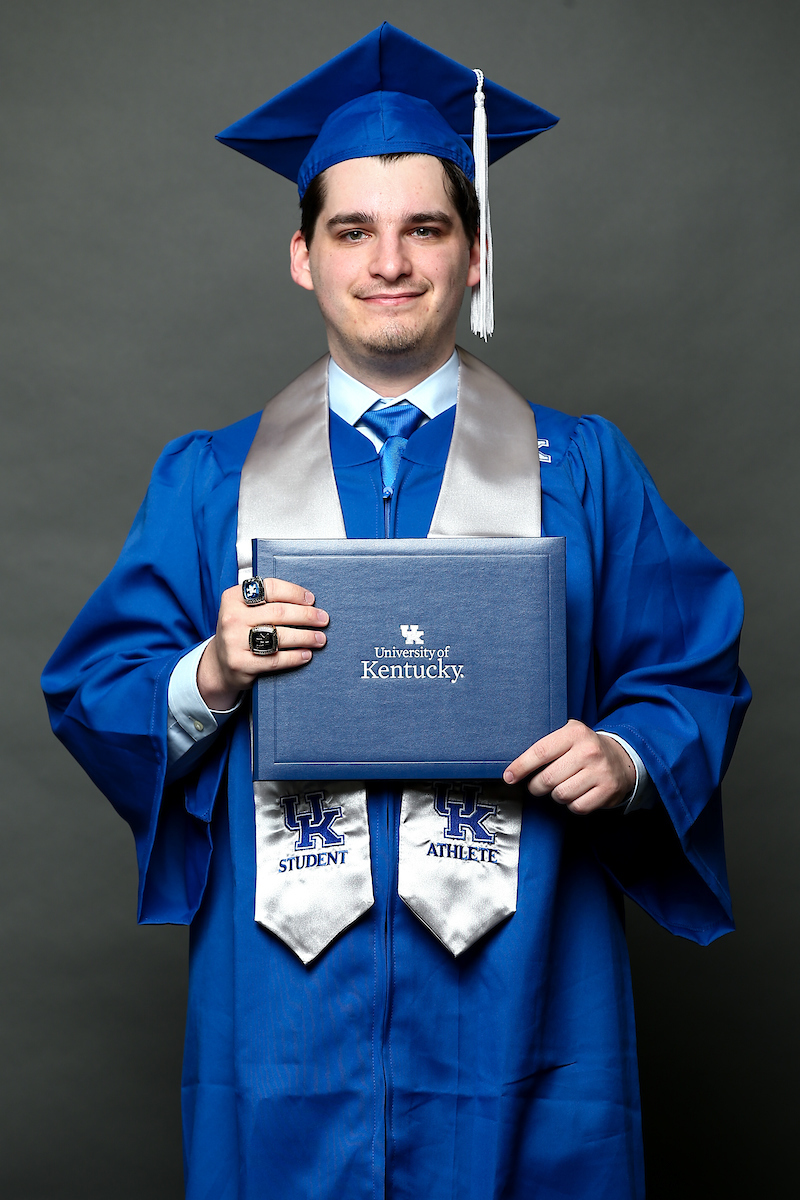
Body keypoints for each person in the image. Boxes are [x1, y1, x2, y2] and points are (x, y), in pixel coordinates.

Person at [42, 23, 750, 1200]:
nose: (389, 262)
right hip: (284, 1000)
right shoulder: (208, 479)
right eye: (351, 231)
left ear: (473, 254)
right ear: (300, 257)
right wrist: (209, 675)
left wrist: (625, 756)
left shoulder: (581, 467)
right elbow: (95, 688)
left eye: (425, 228)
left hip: (524, 978)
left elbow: (692, 671)